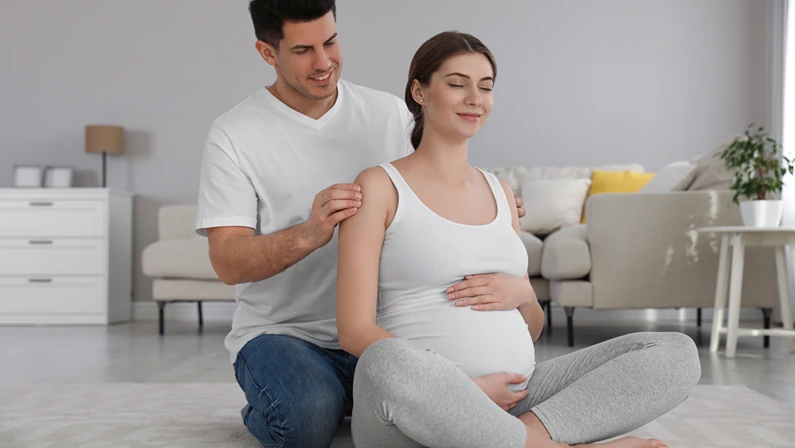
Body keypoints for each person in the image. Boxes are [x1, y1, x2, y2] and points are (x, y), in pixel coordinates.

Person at [336, 31, 701, 448]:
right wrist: (464, 391)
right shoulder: (379, 186)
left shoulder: (502, 193)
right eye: (457, 84)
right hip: (414, 409)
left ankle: (527, 439)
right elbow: (354, 329)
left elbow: (531, 328)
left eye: (486, 87)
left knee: (674, 352)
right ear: (419, 91)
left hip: (518, 397)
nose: (475, 98)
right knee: (385, 363)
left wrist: (524, 293)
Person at [195, 2, 526, 447]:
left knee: (467, 392)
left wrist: (493, 207)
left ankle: (357, 398)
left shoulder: (388, 114)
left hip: (385, 331)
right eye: (303, 50)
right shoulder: (234, 134)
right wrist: (308, 233)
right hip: (287, 334)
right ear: (267, 52)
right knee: (307, 419)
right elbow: (227, 263)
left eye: (331, 42)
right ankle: (291, 401)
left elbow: (440, 169)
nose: (324, 62)